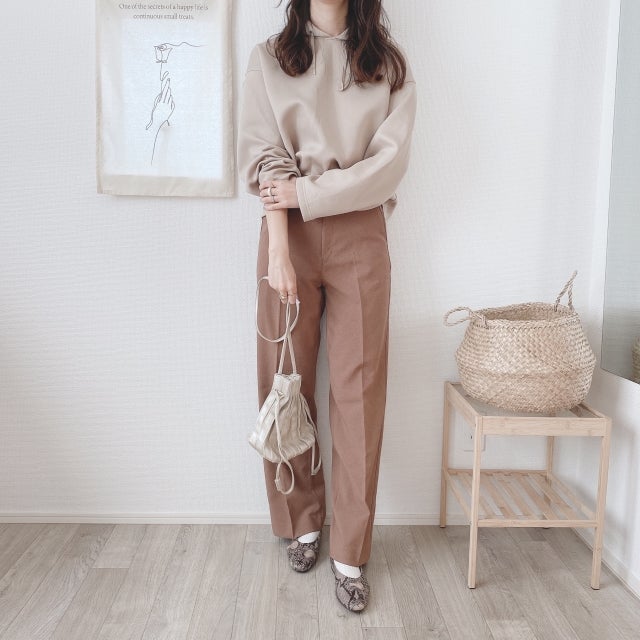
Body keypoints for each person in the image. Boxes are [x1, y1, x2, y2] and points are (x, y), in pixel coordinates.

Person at [237, 0, 416, 613]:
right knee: (284, 380)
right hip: (285, 233)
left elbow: (386, 169)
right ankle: (301, 519)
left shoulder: (387, 66)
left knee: (358, 390)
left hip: (360, 234)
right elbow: (266, 160)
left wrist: (306, 192)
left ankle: (351, 549)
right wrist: (278, 249)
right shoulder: (269, 59)